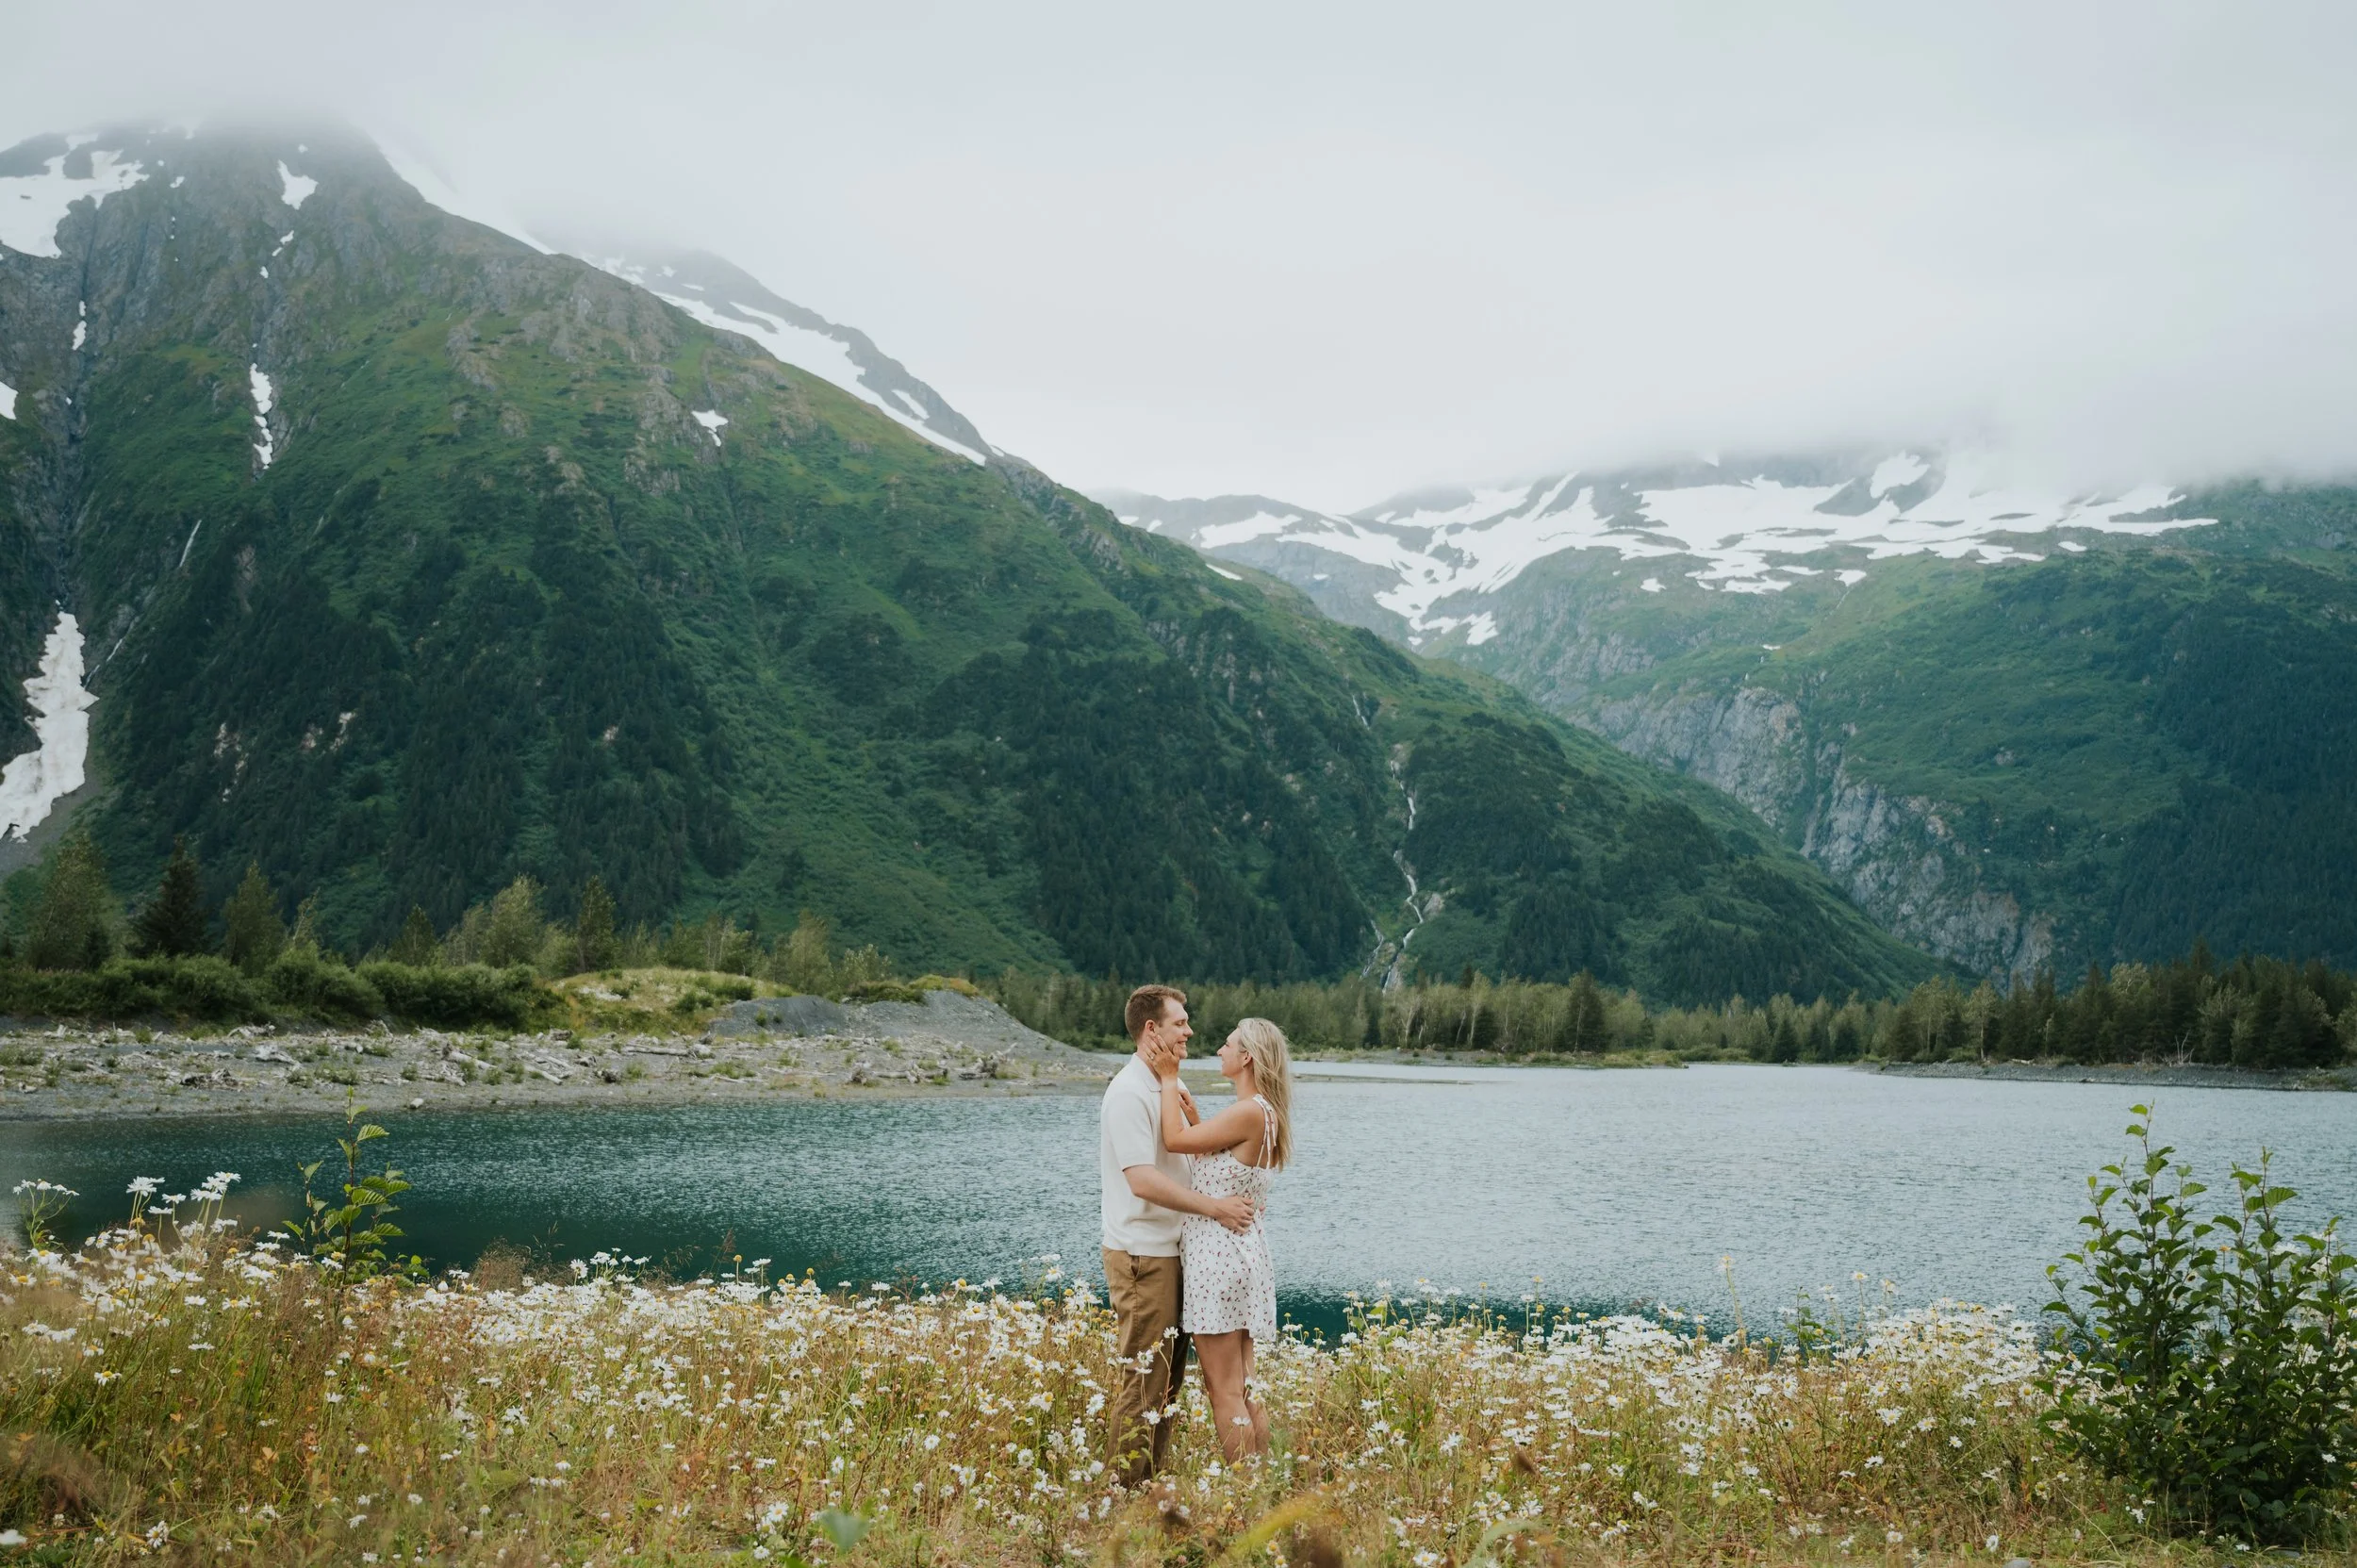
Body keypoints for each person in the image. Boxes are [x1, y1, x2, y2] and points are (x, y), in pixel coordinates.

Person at [1100, 983, 1254, 1485]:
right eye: (1179, 1022)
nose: (1190, 1030)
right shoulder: (1128, 1092)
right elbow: (1142, 1180)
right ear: (1152, 1030)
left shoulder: (1163, 1085)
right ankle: (1121, 1494)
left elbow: (1186, 1156)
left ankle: (1146, 1483)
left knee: (1167, 1384)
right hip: (1143, 1254)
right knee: (1144, 1379)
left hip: (1173, 1251)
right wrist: (1215, 1209)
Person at [1155, 1015, 1293, 1461]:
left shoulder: (1249, 1111)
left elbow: (1174, 1141)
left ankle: (1245, 1489)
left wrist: (1169, 1076)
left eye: (1227, 1044)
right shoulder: (1267, 1113)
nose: (1219, 1050)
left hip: (1218, 1256)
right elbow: (1221, 1164)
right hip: (1245, 1253)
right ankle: (1263, 1480)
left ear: (1246, 1057)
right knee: (1245, 1383)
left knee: (1223, 1389)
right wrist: (1197, 1119)